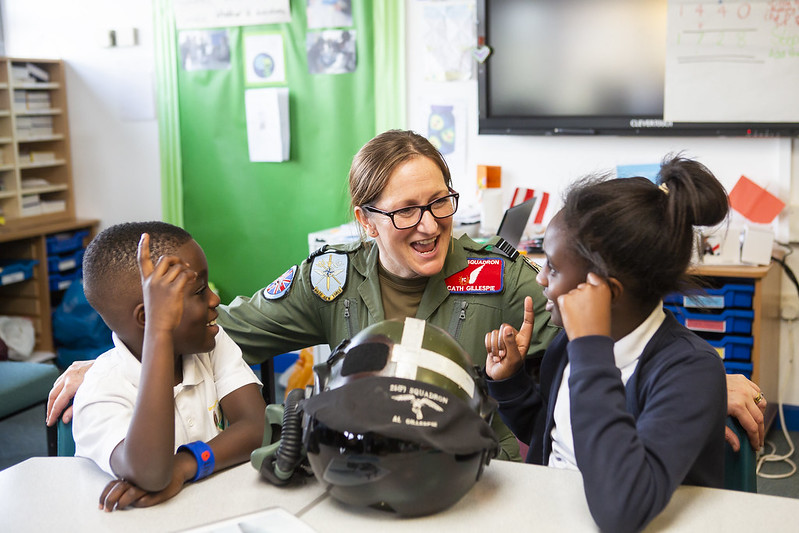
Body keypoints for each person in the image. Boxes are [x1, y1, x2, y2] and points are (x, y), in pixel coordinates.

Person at [47, 130, 766, 457]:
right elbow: (220, 325)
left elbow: (601, 344)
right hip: (356, 467)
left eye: (440, 201)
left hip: (478, 478)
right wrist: (119, 355)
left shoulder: (503, 271)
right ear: (363, 221)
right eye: (404, 211)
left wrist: (706, 380)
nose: (430, 225)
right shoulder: (328, 275)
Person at [483, 156, 735, 532]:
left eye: (552, 267)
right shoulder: (567, 347)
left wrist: (591, 349)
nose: (541, 280)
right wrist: (512, 383)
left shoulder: (689, 370)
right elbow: (555, 435)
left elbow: (623, 508)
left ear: (605, 292)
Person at [71, 222, 265, 512]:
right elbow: (150, 474)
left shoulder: (211, 343)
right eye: (200, 291)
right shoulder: (100, 392)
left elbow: (258, 427)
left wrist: (187, 464)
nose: (215, 300)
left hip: (214, 511)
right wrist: (159, 333)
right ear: (148, 318)